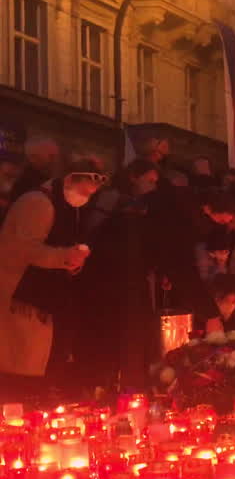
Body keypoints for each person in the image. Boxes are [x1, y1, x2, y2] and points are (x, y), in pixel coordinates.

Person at [0, 160, 101, 394]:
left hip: (42, 295)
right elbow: (24, 249)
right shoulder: (37, 203)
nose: (86, 197)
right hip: (22, 294)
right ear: (69, 180)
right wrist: (65, 257)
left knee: (38, 361)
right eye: (85, 191)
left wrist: (73, 262)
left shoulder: (61, 205)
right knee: (23, 365)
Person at [73, 158, 161, 389]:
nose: (153, 185)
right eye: (149, 180)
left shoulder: (140, 206)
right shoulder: (113, 204)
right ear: (133, 177)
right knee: (107, 341)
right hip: (107, 283)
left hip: (127, 282)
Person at [10, 137, 61, 203]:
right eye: (51, 156)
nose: (54, 161)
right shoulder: (26, 183)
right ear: (34, 157)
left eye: (55, 157)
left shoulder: (49, 181)